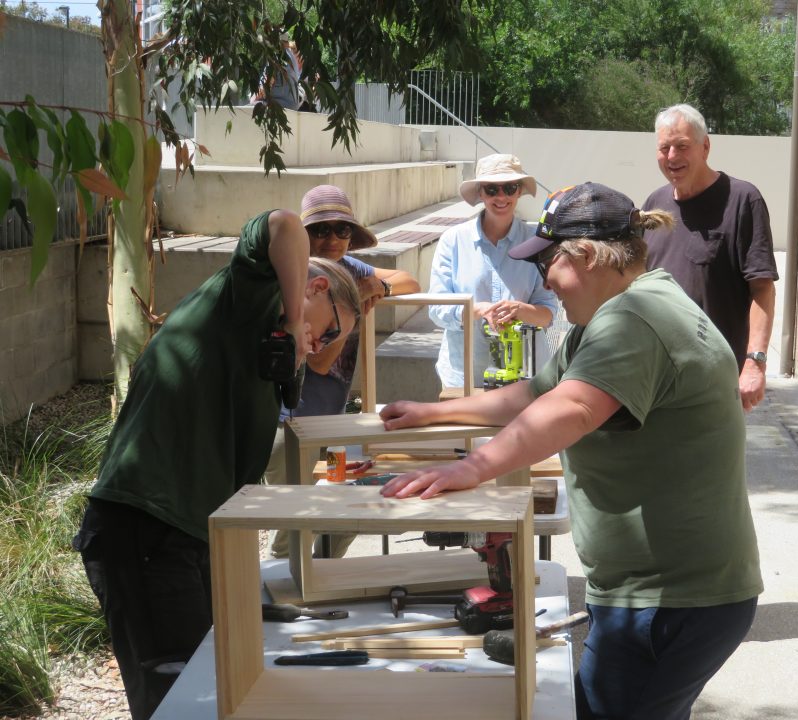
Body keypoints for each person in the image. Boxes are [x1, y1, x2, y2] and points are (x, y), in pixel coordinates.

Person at [380, 182, 763, 720]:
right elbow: (540, 392)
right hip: (662, 594)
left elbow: (573, 410)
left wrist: (473, 468)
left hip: (669, 599)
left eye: (546, 267)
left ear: (583, 255)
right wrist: (432, 412)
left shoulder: (633, 319)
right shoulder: (624, 310)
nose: (544, 283)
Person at [71, 209, 361, 720]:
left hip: (187, 535)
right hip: (145, 527)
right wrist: (297, 319)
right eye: (329, 331)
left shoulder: (264, 347)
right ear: (312, 287)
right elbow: (284, 225)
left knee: (213, 689)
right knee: (182, 701)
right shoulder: (250, 299)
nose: (322, 350)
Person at [265, 184, 420, 558]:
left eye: (342, 229)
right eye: (320, 230)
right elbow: (318, 360)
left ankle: (323, 577)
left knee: (347, 504)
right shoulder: (297, 276)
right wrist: (350, 311)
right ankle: (284, 595)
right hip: (290, 429)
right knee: (295, 522)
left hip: (330, 425)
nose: (332, 238)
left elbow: (411, 281)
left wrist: (376, 285)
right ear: (304, 236)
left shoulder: (349, 269)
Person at [642, 103, 778, 412]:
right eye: (664, 148)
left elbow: (763, 289)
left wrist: (755, 362)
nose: (672, 157)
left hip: (714, 381)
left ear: (705, 147)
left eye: (682, 146)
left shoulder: (742, 200)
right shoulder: (654, 204)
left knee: (707, 461)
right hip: (656, 376)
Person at [429, 153, 558, 391]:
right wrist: (476, 310)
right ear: (480, 193)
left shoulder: (537, 243)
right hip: (465, 375)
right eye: (491, 189)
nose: (501, 196)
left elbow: (548, 313)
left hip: (525, 379)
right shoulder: (453, 240)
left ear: (519, 191)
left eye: (509, 188)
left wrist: (519, 309)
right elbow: (437, 310)